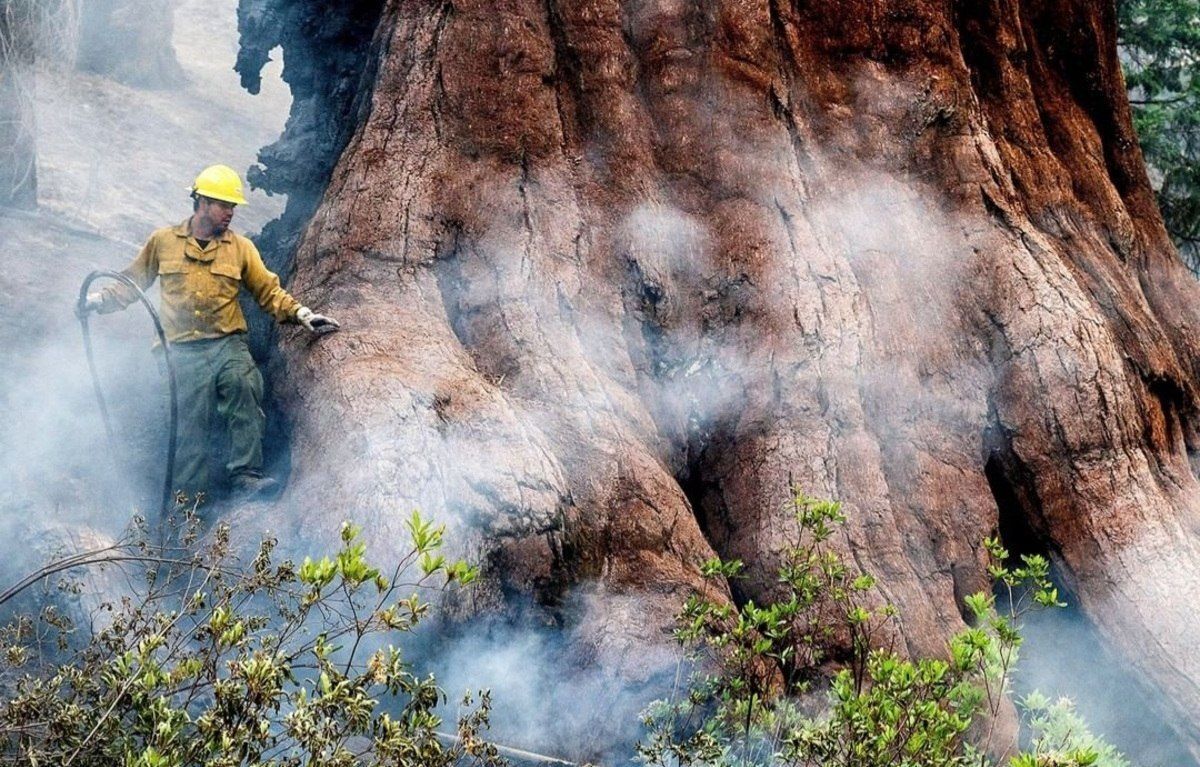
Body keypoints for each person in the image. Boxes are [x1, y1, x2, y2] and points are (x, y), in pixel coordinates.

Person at [78, 164, 338, 502]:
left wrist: (302, 314)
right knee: (190, 429)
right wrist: (96, 300)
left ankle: (246, 475)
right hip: (180, 350)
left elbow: (268, 291)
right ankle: (191, 513)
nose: (230, 213)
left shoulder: (240, 248)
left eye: (232, 207)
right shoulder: (163, 242)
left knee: (244, 385)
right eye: (223, 205)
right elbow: (131, 284)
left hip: (227, 344)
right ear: (201, 202)